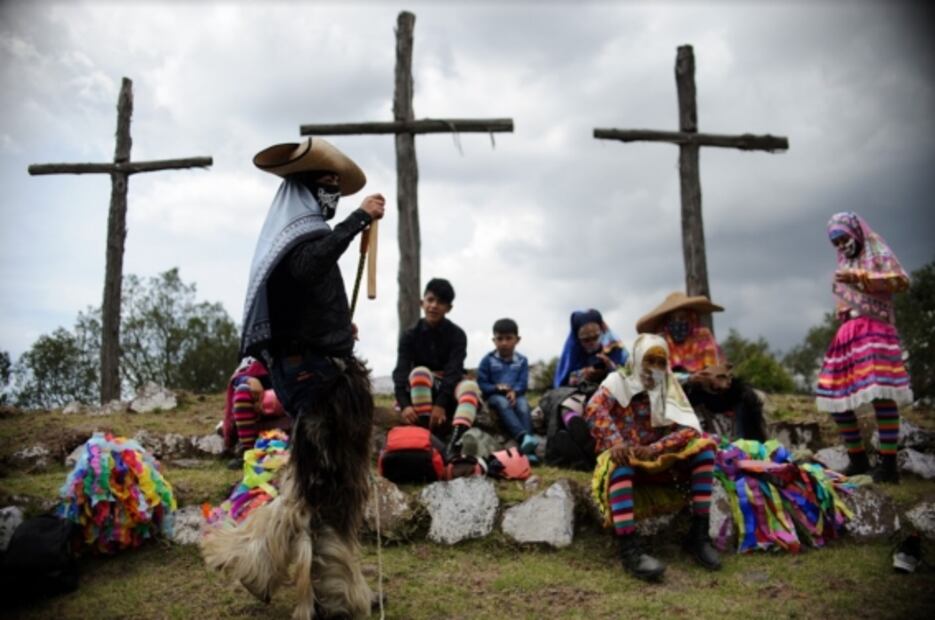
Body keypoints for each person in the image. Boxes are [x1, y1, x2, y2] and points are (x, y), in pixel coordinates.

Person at [202, 137, 385, 619]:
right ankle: (331, 597)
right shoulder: (300, 241)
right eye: (327, 185)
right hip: (318, 379)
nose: (333, 194)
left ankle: (257, 559)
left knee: (313, 486)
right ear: (305, 190)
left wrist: (335, 329)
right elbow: (311, 266)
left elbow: (301, 307)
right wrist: (358, 219)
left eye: (336, 188)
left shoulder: (295, 241)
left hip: (320, 368)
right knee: (328, 489)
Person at [586, 334, 719, 581]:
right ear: (637, 359)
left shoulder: (668, 384)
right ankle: (630, 549)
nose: (654, 369)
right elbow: (595, 408)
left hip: (659, 459)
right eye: (649, 361)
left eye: (660, 362)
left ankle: (698, 536)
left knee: (705, 447)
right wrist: (616, 443)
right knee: (620, 464)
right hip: (627, 458)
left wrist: (657, 448)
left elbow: (690, 428)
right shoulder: (618, 381)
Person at [816, 211, 912, 484]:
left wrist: (861, 277)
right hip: (848, 333)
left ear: (855, 233)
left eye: (844, 238)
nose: (841, 246)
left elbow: (901, 280)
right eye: (835, 242)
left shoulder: (877, 251)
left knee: (881, 393)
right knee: (834, 395)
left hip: (875, 328)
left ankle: (888, 465)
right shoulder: (842, 262)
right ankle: (858, 459)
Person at [392, 278, 481, 459]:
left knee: (471, 388)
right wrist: (404, 404)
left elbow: (454, 371)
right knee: (419, 372)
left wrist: (440, 405)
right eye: (430, 300)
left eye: (440, 302)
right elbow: (401, 371)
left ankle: (453, 444)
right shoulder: (409, 336)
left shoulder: (457, 335)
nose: (434, 306)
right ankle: (426, 437)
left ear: (449, 308)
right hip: (421, 390)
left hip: (449, 390)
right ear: (422, 302)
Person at [540, 309, 628, 470]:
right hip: (578, 393)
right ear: (577, 338)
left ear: (602, 331)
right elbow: (563, 381)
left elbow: (627, 375)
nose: (591, 342)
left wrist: (609, 367)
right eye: (585, 339)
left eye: (595, 337)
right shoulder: (572, 352)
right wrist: (585, 374)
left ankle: (580, 440)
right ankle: (573, 423)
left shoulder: (615, 349)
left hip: (606, 395)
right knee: (564, 400)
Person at [477, 318, 537, 458]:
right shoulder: (488, 360)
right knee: (502, 402)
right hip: (494, 396)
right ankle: (523, 438)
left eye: (509, 338)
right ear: (494, 340)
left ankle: (530, 449)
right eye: (500, 339)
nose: (504, 343)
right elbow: (482, 383)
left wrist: (515, 392)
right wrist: (496, 388)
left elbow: (523, 383)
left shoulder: (522, 360)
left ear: (517, 340)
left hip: (516, 395)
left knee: (523, 405)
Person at [635, 291, 724, 381]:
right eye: (672, 319)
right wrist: (688, 378)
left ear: (690, 318)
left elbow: (712, 369)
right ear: (666, 322)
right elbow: (656, 375)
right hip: (670, 390)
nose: (677, 322)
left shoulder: (702, 336)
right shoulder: (660, 343)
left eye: (682, 318)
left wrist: (703, 377)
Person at [221, 357, 291, 466]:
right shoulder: (253, 353)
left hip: (290, 400)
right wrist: (249, 380)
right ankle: (249, 452)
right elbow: (237, 378)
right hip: (260, 404)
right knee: (242, 390)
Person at [681, 363, 767, 442]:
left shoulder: (742, 397)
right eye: (721, 377)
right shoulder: (690, 398)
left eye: (730, 376)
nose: (728, 381)